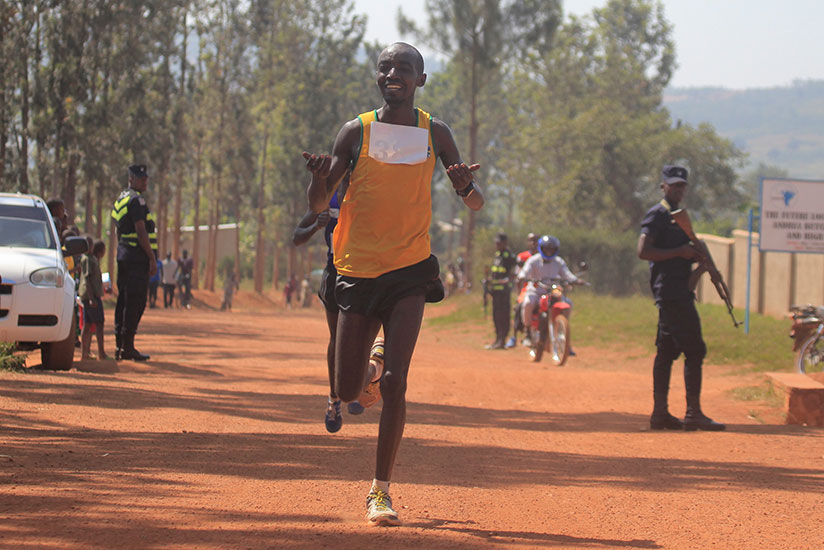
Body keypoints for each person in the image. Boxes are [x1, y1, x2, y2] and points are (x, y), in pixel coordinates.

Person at [302, 42, 484, 526]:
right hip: (356, 270)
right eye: (385, 67)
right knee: (347, 391)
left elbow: (475, 203)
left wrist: (465, 184)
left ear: (420, 79)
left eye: (404, 67)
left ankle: (380, 491)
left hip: (409, 268)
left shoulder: (434, 132)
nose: (393, 73)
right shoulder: (356, 132)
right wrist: (319, 179)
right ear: (376, 78)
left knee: (401, 383)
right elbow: (321, 203)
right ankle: (370, 373)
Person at [637, 164, 725, 431]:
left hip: (678, 292)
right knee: (695, 350)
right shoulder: (658, 215)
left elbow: (687, 268)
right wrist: (679, 252)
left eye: (681, 185)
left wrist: (701, 266)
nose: (678, 189)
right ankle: (693, 413)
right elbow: (643, 251)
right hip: (671, 293)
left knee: (666, 352)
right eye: (673, 185)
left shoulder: (679, 216)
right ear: (663, 186)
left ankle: (660, 414)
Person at [292, 178, 384, 432]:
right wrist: (315, 226)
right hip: (335, 273)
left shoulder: (369, 191)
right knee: (337, 339)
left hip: (367, 272)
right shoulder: (328, 197)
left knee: (363, 333)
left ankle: (363, 379)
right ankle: (335, 398)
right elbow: (297, 237)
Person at [111, 164, 157, 361]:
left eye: (145, 177)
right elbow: (141, 230)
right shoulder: (135, 201)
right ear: (131, 179)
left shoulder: (121, 200)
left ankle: (120, 346)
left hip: (124, 256)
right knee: (136, 302)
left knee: (124, 301)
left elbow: (117, 230)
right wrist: (152, 258)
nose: (144, 181)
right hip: (137, 258)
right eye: (141, 178)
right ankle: (127, 347)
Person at [518, 235, 581, 349]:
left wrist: (576, 280)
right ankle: (527, 332)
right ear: (541, 248)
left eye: (551, 249)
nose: (548, 252)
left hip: (552, 290)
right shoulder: (533, 260)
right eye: (546, 249)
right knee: (528, 303)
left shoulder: (558, 261)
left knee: (568, 303)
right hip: (536, 290)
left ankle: (562, 332)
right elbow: (524, 271)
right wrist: (522, 277)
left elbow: (567, 274)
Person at [485, 233, 517, 350]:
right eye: (496, 243)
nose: (497, 245)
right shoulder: (497, 255)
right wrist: (489, 280)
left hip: (504, 292)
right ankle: (497, 339)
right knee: (496, 316)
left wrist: (506, 281)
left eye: (499, 243)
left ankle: (502, 339)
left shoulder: (509, 256)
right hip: (495, 291)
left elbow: (513, 272)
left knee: (503, 316)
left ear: (505, 243)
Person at [507, 233, 539, 348]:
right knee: (520, 306)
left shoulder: (545, 256)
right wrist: (518, 293)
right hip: (526, 288)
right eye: (531, 240)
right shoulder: (522, 256)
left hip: (543, 288)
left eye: (535, 240)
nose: (533, 243)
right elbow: (518, 277)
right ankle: (516, 336)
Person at [79, 240, 108, 360]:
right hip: (91, 297)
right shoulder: (88, 260)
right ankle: (100, 353)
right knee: (98, 324)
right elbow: (87, 279)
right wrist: (91, 298)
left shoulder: (92, 259)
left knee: (89, 324)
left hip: (93, 296)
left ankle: (86, 353)